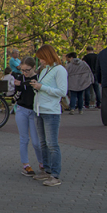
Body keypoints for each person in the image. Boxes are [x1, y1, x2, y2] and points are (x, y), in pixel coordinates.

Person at [31, 44, 68, 187]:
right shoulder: (45, 70)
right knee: (43, 143)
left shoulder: (59, 70)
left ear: (48, 56)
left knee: (52, 144)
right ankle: (46, 170)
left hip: (51, 111)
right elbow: (44, 88)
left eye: (42, 59)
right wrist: (37, 86)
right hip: (40, 109)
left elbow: (62, 91)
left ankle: (55, 174)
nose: (40, 61)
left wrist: (42, 87)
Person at [12, 57, 43, 177]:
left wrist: (28, 84)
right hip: (22, 109)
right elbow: (16, 95)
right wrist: (18, 86)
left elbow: (39, 90)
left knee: (36, 141)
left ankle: (42, 162)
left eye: (27, 70)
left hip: (34, 111)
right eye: (22, 70)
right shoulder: (20, 78)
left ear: (33, 68)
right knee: (24, 139)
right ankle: (26, 165)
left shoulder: (38, 78)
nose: (25, 73)